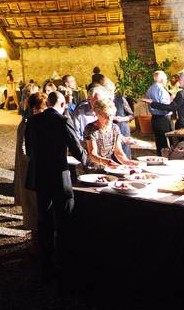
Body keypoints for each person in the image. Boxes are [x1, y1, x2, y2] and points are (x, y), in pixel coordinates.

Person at [25, 91, 87, 278]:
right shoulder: (62, 120)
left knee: (44, 218)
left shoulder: (33, 121)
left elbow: (29, 149)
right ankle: (65, 259)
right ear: (61, 104)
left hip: (40, 175)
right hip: (59, 176)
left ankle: (46, 260)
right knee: (64, 217)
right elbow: (77, 149)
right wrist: (85, 159)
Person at [14, 91, 44, 239]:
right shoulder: (27, 124)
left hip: (33, 169)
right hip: (30, 170)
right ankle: (35, 241)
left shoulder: (32, 122)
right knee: (32, 204)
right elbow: (23, 149)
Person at [83, 98, 139, 171]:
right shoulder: (90, 129)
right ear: (97, 114)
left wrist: (127, 162)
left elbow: (118, 152)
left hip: (108, 168)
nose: (109, 119)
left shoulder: (115, 128)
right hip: (92, 168)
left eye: (112, 115)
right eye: (106, 115)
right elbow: (92, 154)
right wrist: (106, 162)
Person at [145, 71, 173, 155]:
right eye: (165, 79)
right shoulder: (161, 89)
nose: (166, 80)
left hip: (155, 118)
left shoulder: (150, 89)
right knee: (166, 143)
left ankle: (160, 158)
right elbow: (165, 107)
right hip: (163, 119)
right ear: (161, 79)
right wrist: (172, 103)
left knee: (159, 143)